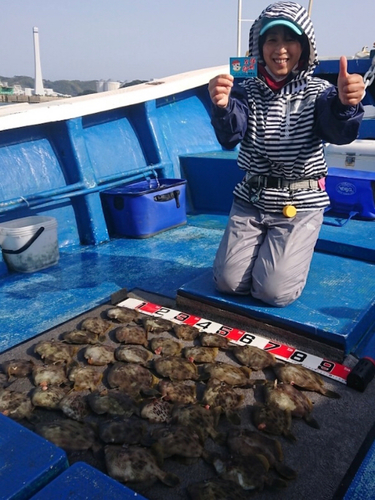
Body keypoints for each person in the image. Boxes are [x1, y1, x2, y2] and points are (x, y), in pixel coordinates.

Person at [208, 1, 365, 308]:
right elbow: (231, 136)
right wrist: (222, 107)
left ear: (304, 46)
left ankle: (287, 255)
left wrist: (346, 105)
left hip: (300, 203)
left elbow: (338, 132)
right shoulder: (246, 88)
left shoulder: (320, 90)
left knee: (273, 293)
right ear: (259, 46)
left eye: (290, 39)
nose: (281, 49)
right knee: (227, 282)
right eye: (272, 39)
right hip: (251, 199)